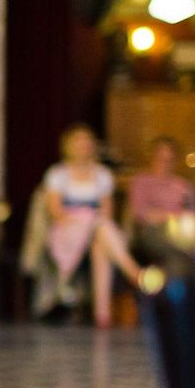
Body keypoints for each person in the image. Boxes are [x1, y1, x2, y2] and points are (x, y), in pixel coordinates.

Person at [39, 123, 142, 328]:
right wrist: (83, 218)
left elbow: (107, 211)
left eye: (87, 141)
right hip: (68, 228)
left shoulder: (102, 175)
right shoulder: (57, 174)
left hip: (97, 227)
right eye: (78, 141)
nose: (83, 146)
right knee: (99, 228)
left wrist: (92, 220)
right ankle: (135, 274)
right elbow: (55, 211)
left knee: (100, 242)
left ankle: (102, 315)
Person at [125, 135, 195, 234]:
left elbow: (194, 215)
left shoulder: (184, 185)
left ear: (175, 162)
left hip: (182, 233)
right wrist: (174, 218)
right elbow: (141, 213)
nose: (164, 165)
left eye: (169, 161)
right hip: (152, 232)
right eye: (160, 159)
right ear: (152, 158)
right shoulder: (141, 182)